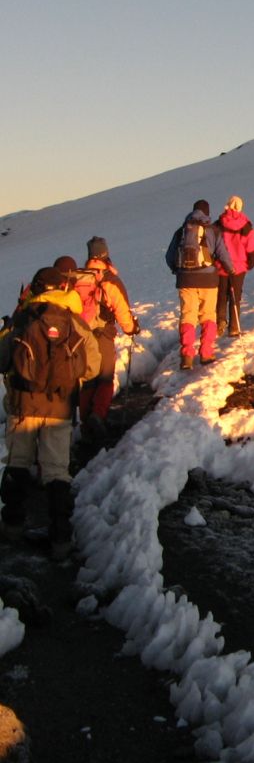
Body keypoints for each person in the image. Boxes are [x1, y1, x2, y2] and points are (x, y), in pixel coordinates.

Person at [0, 267, 101, 559]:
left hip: (23, 405)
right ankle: (60, 540)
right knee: (57, 471)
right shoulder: (74, 322)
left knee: (18, 463)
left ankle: (12, 525)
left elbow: (2, 358)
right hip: (61, 407)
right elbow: (92, 366)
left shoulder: (22, 319)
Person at [56, 238, 140, 440]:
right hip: (102, 335)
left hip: (78, 336)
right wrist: (131, 328)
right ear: (105, 254)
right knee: (104, 377)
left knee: (87, 380)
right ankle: (98, 416)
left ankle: (86, 424)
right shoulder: (108, 278)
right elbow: (121, 307)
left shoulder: (77, 277)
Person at [165, 200, 235, 369]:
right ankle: (206, 353)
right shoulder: (212, 230)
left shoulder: (181, 231)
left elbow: (169, 256)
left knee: (188, 315)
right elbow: (222, 254)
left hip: (185, 280)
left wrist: (178, 270)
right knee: (208, 315)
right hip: (208, 280)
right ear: (207, 213)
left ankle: (187, 356)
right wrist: (230, 270)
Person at [214, 196, 254, 338]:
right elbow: (250, 245)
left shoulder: (219, 223)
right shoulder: (245, 225)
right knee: (235, 296)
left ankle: (219, 322)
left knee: (221, 295)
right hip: (239, 266)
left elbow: (213, 243)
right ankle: (234, 327)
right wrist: (251, 261)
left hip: (221, 265)